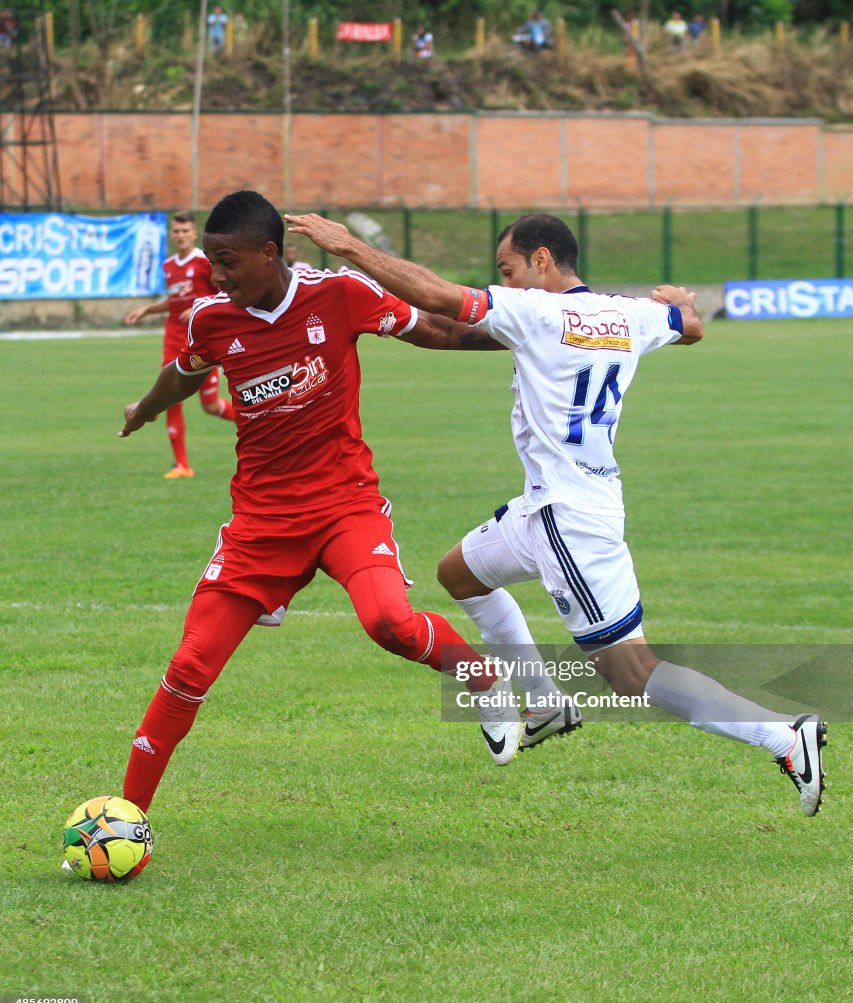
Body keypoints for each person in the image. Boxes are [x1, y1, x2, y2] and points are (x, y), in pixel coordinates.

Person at [284, 210, 829, 817]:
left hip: (570, 522)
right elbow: (691, 325)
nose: (505, 282)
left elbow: (438, 299)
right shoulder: (627, 313)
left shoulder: (535, 311)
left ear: (542, 261)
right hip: (549, 507)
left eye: (508, 269)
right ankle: (544, 702)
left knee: (631, 672)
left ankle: (782, 734)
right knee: (459, 573)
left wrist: (348, 248)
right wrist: (678, 301)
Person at [118, 190, 524, 817]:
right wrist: (144, 409)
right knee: (189, 665)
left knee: (390, 623)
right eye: (211, 261)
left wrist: (539, 334)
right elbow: (186, 372)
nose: (215, 274)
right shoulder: (211, 318)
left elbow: (441, 329)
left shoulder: (339, 295)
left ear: (269, 252)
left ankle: (484, 683)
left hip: (344, 506)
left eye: (226, 261)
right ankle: (126, 817)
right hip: (261, 526)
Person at [125, 211, 235, 479]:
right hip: (174, 338)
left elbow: (225, 292)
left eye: (185, 231)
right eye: (176, 231)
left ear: (194, 233)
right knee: (171, 398)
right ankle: (181, 465)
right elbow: (174, 301)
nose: (180, 236)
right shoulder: (169, 266)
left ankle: (261, 421)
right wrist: (148, 310)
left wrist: (200, 306)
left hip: (203, 339)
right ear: (171, 234)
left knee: (210, 405)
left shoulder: (203, 262)